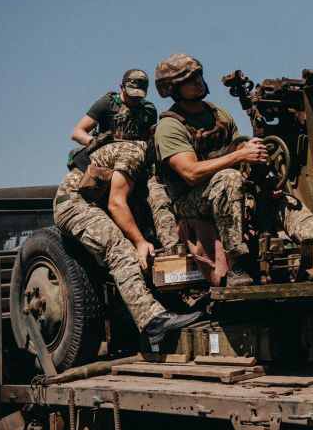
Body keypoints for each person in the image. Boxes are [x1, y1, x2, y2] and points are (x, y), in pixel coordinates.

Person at [152, 54, 313, 287]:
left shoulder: (219, 115)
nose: (198, 81)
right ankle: (235, 264)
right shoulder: (170, 126)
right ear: (174, 89)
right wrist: (239, 155)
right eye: (189, 80)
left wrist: (261, 177)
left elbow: (241, 152)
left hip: (228, 191)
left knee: (281, 202)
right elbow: (190, 174)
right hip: (189, 200)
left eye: (198, 75)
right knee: (228, 178)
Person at [53, 140, 203, 347]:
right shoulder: (134, 152)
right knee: (120, 249)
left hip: (95, 205)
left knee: (148, 247)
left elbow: (161, 208)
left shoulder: (152, 170)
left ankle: (173, 305)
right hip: (73, 204)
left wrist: (173, 251)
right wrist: (140, 242)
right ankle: (152, 322)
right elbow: (116, 203)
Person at [71, 69, 179, 251]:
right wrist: (94, 142)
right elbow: (77, 132)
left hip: (140, 167)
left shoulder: (149, 109)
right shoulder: (107, 104)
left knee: (160, 199)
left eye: (139, 95)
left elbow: (153, 139)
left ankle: (173, 248)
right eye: (131, 94)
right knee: (115, 202)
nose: (135, 99)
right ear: (121, 87)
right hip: (111, 166)